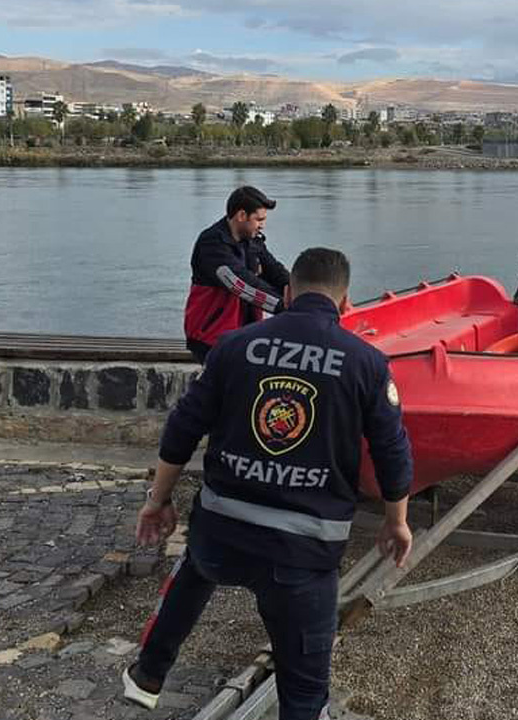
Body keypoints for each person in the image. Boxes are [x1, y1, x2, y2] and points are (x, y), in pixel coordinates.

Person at [125, 248, 414, 719]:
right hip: (303, 556)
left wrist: (157, 501)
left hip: (222, 535)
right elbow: (392, 452)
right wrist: (396, 521)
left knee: (197, 563)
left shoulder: (234, 346)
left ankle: (149, 673)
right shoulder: (366, 364)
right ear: (345, 305)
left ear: (286, 293)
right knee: (303, 691)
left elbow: (182, 428)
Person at [183, 185, 292, 363]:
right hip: (211, 337)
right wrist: (283, 307)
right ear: (242, 216)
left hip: (244, 333)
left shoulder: (252, 241)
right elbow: (240, 283)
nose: (262, 225)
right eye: (259, 219)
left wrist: (304, 295)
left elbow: (275, 271)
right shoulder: (212, 244)